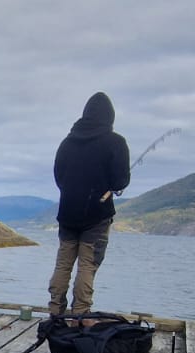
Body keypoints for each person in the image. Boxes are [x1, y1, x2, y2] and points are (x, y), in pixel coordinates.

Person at [50, 91, 130, 316]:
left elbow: (59, 176)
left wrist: (72, 192)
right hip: (97, 215)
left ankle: (55, 311)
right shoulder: (115, 142)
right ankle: (80, 315)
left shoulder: (67, 142)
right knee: (88, 264)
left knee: (63, 263)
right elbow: (121, 180)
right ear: (110, 118)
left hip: (67, 212)